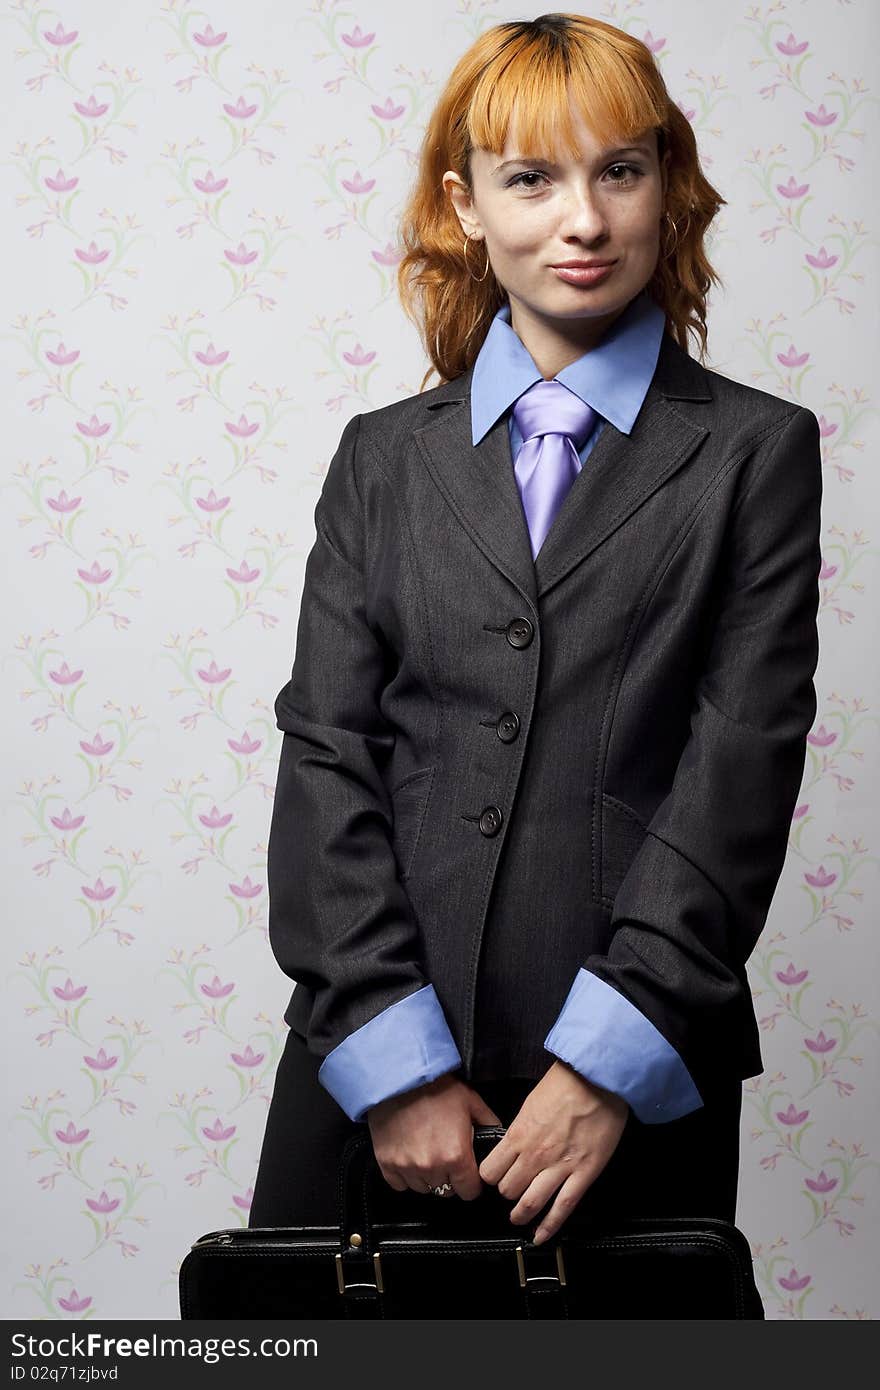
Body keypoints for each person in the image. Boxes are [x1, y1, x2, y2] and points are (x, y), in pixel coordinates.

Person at [249, 10, 822, 1276]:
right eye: (532, 178)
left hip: (623, 1077)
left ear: (667, 187)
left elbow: (741, 767)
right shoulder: (382, 459)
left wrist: (606, 1061)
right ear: (465, 205)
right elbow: (327, 750)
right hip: (368, 1056)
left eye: (621, 169)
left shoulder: (754, 453)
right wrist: (390, 1061)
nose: (584, 219)